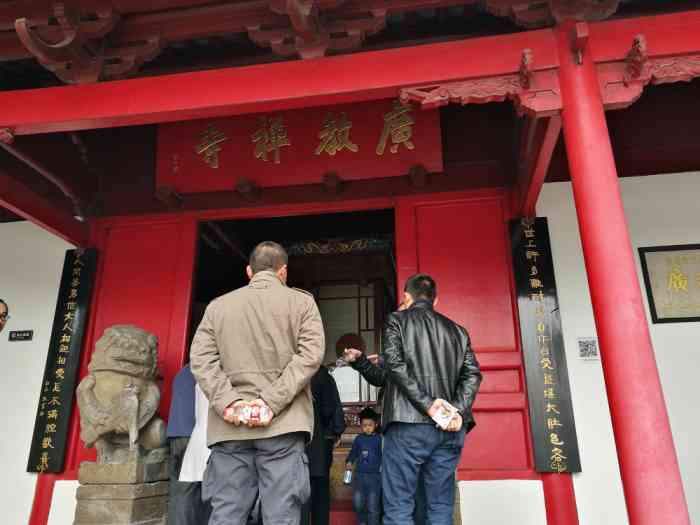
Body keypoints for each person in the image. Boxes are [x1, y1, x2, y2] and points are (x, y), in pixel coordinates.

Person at [190, 241, 324, 525]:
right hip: (283, 425)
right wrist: (269, 402)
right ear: (283, 271)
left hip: (230, 427)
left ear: (249, 271)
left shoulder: (219, 306)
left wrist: (230, 403)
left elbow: (200, 359)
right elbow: (310, 356)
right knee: (281, 514)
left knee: (227, 513)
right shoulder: (302, 303)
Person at [376, 274, 482, 525]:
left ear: (406, 297)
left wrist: (428, 405)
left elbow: (394, 365)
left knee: (399, 505)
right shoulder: (458, 331)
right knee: (440, 504)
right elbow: (473, 374)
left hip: (407, 424)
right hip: (448, 429)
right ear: (436, 301)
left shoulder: (396, 321)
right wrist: (455, 410)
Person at [166, 364, 212, 525]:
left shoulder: (183, 372)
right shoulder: (208, 368)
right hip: (195, 436)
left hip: (176, 433)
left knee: (181, 489)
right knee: (194, 489)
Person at [301, 365, 346, 525]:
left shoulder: (297, 373)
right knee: (320, 493)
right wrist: (337, 431)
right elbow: (331, 408)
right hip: (321, 442)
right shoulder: (324, 376)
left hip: (299, 442)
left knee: (300, 494)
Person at [346, 407, 382, 525]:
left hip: (375, 477)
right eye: (364, 425)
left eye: (370, 425)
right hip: (359, 477)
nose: (367, 428)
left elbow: (385, 456)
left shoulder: (379, 439)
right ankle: (361, 522)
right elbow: (353, 453)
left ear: (375, 425)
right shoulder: (358, 439)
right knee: (358, 503)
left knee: (373, 506)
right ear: (361, 425)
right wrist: (349, 462)